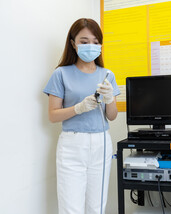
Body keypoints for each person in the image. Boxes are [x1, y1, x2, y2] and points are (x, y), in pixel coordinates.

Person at [43, 18, 120, 214]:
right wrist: (78, 108)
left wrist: (110, 98)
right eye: (84, 41)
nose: (90, 46)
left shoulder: (107, 75)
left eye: (95, 42)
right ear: (73, 44)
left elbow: (112, 116)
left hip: (101, 144)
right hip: (72, 144)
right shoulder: (61, 74)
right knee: (71, 207)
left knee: (97, 206)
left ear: (101, 45)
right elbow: (53, 115)